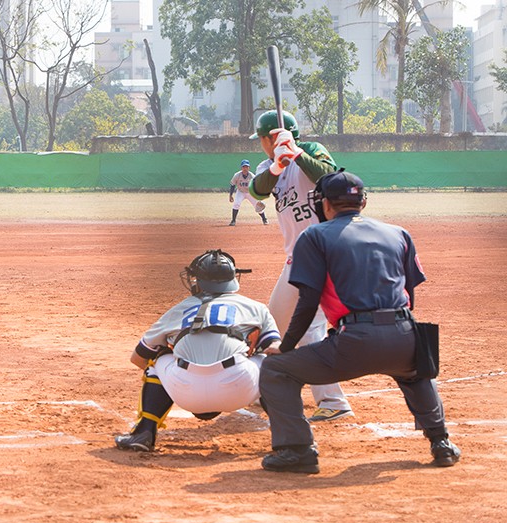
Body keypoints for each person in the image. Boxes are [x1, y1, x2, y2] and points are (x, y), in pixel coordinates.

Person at [258, 170, 461, 473]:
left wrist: (286, 347)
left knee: (276, 371)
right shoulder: (398, 233)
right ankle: (441, 442)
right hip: (403, 331)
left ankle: (298, 450)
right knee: (417, 370)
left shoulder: (314, 236)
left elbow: (307, 302)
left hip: (353, 342)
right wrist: (405, 334)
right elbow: (410, 291)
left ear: (324, 205)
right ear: (363, 201)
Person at [114, 249, 282, 452]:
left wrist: (177, 361)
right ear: (232, 279)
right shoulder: (256, 308)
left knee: (157, 359)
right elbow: (276, 348)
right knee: (272, 362)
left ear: (197, 281)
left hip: (185, 391)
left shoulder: (178, 309)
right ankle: (289, 435)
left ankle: (144, 432)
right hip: (239, 387)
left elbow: (138, 358)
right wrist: (251, 353)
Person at [248, 110, 353, 423]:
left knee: (309, 330)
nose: (262, 147)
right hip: (297, 258)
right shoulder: (268, 165)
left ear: (271, 137)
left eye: (262, 141)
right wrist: (279, 164)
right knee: (274, 324)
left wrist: (295, 154)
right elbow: (257, 189)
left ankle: (334, 401)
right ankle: (265, 388)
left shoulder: (312, 150)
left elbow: (332, 177)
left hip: (323, 253)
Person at [228, 159, 268, 226]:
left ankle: (264, 219)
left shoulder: (252, 176)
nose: (245, 168)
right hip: (240, 192)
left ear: (249, 168)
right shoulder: (237, 175)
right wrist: (230, 195)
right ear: (241, 167)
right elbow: (232, 185)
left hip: (250, 192)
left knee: (258, 205)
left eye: (246, 167)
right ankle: (233, 221)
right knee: (236, 204)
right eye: (244, 167)